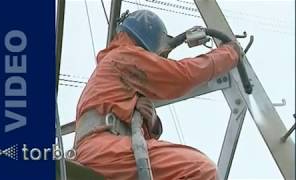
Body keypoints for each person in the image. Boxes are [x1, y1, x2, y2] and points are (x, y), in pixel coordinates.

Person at [74, 9, 240, 180]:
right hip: (102, 151)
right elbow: (181, 76)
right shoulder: (124, 56)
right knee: (200, 169)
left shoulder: (117, 73)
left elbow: (132, 132)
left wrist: (151, 123)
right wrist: (230, 53)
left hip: (104, 151)